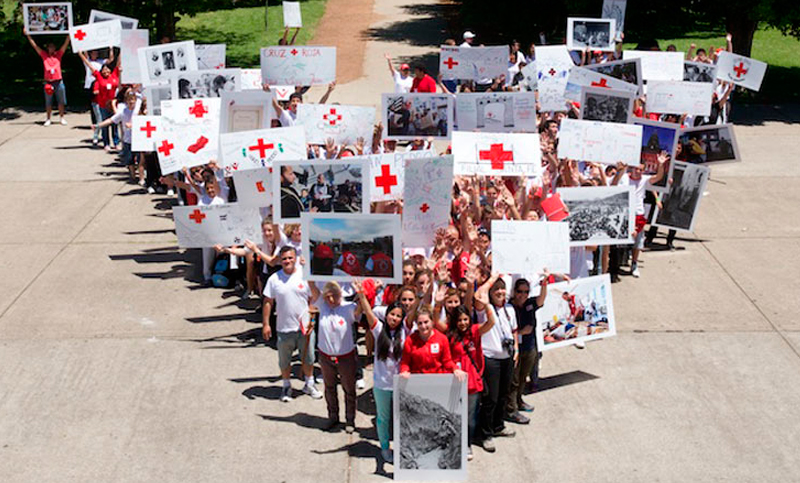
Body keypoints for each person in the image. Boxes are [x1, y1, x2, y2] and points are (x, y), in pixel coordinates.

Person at [262, 246, 323, 402]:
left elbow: (315, 297)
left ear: (295, 258)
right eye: (284, 259)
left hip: (305, 328)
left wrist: (310, 281)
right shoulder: (274, 279)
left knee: (308, 358)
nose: (287, 261)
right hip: (283, 328)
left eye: (290, 258)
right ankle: (286, 386)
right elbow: (268, 302)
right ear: (280, 261)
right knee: (285, 361)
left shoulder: (304, 276)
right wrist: (266, 324)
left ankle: (309, 384)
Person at [441, 288, 496, 461]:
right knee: (453, 414)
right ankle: (452, 443)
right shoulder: (449, 335)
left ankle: (467, 444)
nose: (463, 323)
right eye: (460, 320)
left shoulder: (474, 331)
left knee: (470, 417)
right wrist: (438, 303)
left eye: (465, 319)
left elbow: (491, 322)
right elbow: (436, 320)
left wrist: (487, 305)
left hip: (472, 382)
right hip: (454, 380)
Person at [316, 280, 364, 433]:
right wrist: (305, 267)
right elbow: (311, 286)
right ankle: (333, 416)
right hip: (325, 356)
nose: (330, 300)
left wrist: (363, 295)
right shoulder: (321, 305)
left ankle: (350, 420)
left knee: (349, 389)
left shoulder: (348, 308)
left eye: (334, 296)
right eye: (327, 296)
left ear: (340, 295)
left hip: (346, 357)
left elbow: (359, 313)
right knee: (329, 387)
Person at [478, 277, 518, 453]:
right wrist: (494, 276)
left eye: (502, 289)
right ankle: (486, 434)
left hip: (507, 357)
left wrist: (516, 347)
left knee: (503, 394)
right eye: (496, 290)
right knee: (491, 398)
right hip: (491, 357)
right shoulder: (483, 309)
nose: (500, 293)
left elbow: (514, 330)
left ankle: (498, 425)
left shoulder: (509, 309)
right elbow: (480, 295)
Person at [364, 299, 406, 464]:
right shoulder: (379, 330)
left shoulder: (404, 332)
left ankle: (404, 448)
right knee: (383, 418)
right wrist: (361, 295)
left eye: (398, 316)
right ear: (386, 315)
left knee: (402, 418)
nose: (394, 318)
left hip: (401, 384)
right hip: (382, 384)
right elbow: (368, 313)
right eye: (392, 314)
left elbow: (416, 310)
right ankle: (384, 448)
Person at [24, 27, 70, 126]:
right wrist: (28, 35)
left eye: (53, 47)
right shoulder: (44, 55)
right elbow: (35, 46)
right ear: (47, 48)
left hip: (58, 81)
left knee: (61, 100)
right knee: (48, 101)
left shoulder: (59, 55)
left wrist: (69, 35)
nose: (51, 49)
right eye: (50, 47)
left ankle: (62, 117)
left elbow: (65, 45)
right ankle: (48, 118)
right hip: (48, 81)